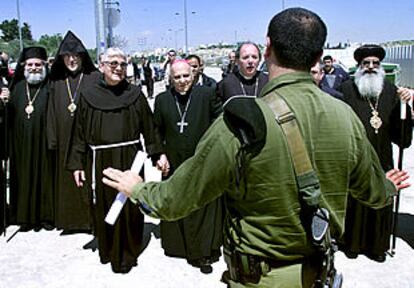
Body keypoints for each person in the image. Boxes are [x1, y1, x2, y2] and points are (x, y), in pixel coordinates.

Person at [102, 8, 410, 287]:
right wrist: (388, 187)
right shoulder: (347, 117)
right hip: (318, 275)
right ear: (317, 59)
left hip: (259, 279)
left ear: (267, 49)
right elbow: (372, 192)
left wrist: (138, 189)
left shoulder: (240, 122)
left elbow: (176, 200)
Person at [66, 47, 164, 274]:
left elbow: (149, 128)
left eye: (122, 63)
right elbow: (78, 132)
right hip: (100, 160)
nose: (118, 68)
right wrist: (77, 163)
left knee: (130, 207)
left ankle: (129, 252)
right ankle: (108, 250)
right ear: (102, 66)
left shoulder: (135, 94)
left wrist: (157, 154)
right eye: (113, 63)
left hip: (131, 160)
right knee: (105, 206)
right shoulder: (88, 95)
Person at [338, 44, 413, 262]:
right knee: (356, 201)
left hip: (382, 159)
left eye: (375, 63)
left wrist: (405, 107)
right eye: (366, 63)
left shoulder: (390, 92)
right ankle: (352, 243)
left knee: (380, 200)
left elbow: (402, 138)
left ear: (380, 67)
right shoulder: (346, 90)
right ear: (359, 66)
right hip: (355, 158)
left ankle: (377, 246)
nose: (371, 67)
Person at [153, 60, 222, 273]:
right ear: (170, 79)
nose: (182, 81)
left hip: (202, 160)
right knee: (176, 202)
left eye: (185, 76)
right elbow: (156, 131)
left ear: (193, 74)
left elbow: (219, 124)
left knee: (202, 207)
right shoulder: (163, 100)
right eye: (177, 77)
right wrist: (159, 155)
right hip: (173, 162)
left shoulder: (207, 94)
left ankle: (202, 253)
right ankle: (178, 247)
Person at [47, 30, 101, 234]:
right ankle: (70, 221)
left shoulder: (93, 77)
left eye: (76, 56)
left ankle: (89, 221)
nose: (71, 60)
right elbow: (51, 112)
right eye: (67, 56)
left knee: (88, 179)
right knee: (67, 180)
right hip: (62, 140)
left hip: (86, 140)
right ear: (62, 58)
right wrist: (52, 139)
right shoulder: (56, 81)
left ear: (82, 57)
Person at [8, 46, 55, 231]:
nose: (34, 67)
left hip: (45, 143)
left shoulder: (51, 87)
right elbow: (7, 117)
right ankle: (24, 218)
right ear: (23, 66)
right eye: (30, 64)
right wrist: (3, 103)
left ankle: (46, 217)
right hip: (21, 145)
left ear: (44, 65)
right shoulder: (17, 88)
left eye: (38, 64)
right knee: (23, 177)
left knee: (45, 178)